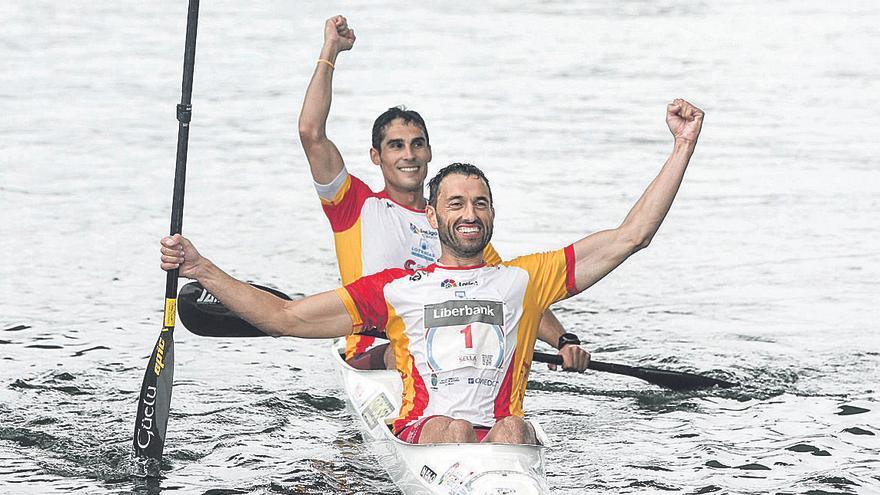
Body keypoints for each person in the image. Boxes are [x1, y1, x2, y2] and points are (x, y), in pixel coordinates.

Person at [160, 98, 705, 444]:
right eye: (457, 204)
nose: (469, 214)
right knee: (456, 427)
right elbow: (283, 317)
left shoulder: (521, 278)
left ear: (491, 213)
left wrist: (682, 145)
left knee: (515, 428)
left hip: (503, 439)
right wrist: (203, 267)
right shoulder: (396, 290)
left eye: (481, 203)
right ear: (433, 213)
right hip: (428, 431)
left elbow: (631, 237)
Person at [297, 15, 587, 371]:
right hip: (377, 353)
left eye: (417, 144)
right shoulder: (354, 206)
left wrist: (562, 339)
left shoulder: (456, 225)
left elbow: (515, 290)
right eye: (396, 146)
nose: (409, 155)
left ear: (429, 152)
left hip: (446, 355)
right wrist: (331, 51)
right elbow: (311, 133)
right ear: (376, 156)